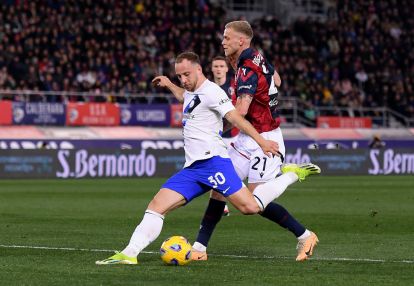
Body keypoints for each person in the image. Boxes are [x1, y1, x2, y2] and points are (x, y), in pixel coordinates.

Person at [96, 51, 288, 265]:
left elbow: (235, 117)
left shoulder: (213, 92)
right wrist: (170, 84)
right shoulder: (191, 91)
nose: (184, 80)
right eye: (180, 76)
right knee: (156, 205)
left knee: (250, 208)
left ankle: (291, 175)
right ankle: (129, 254)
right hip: (193, 168)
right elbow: (186, 97)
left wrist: (261, 142)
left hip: (214, 163)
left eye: (186, 74)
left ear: (199, 69)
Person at [191, 21, 321, 262]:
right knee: (219, 188)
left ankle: (304, 231)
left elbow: (240, 110)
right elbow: (278, 81)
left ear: (241, 41)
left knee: (252, 204)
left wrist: (215, 125)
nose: (223, 42)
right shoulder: (256, 59)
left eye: (227, 38)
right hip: (246, 138)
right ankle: (199, 248)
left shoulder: (247, 69)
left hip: (265, 140)